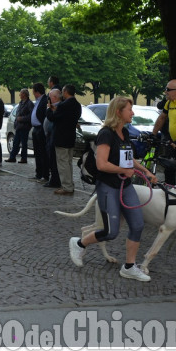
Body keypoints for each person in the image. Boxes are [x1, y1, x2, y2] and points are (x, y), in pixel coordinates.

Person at [68, 96, 157, 281]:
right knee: (110, 232)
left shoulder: (124, 132)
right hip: (108, 186)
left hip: (126, 185)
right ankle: (79, 243)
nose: (132, 113)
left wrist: (146, 171)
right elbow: (101, 164)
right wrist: (123, 170)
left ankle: (129, 267)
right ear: (118, 112)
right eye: (129, 110)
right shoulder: (106, 134)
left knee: (138, 225)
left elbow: (129, 159)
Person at [46, 84, 81, 195]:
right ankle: (70, 184)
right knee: (69, 162)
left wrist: (49, 109)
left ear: (66, 92)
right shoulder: (77, 105)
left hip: (61, 137)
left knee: (62, 163)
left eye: (63, 91)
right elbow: (67, 117)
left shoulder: (63, 105)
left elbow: (53, 118)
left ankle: (66, 186)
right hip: (70, 136)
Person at [5, 89, 34, 163]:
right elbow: (18, 114)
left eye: (20, 94)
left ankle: (24, 158)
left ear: (24, 95)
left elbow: (31, 116)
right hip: (18, 126)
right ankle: (12, 157)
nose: (19, 95)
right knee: (16, 142)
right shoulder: (21, 103)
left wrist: (22, 118)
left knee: (24, 143)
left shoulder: (29, 104)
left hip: (24, 126)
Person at [43, 88, 62, 188]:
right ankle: (54, 179)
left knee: (54, 160)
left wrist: (48, 108)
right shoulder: (55, 107)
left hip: (53, 136)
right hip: (50, 135)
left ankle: (55, 180)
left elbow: (51, 118)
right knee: (51, 159)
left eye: (49, 97)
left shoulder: (57, 107)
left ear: (54, 98)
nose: (48, 99)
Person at [31, 82, 49, 182]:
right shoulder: (38, 100)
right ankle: (38, 173)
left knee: (42, 153)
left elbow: (43, 115)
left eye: (33, 91)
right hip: (36, 128)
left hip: (41, 128)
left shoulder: (44, 100)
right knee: (37, 153)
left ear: (37, 91)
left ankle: (44, 174)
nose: (33, 93)